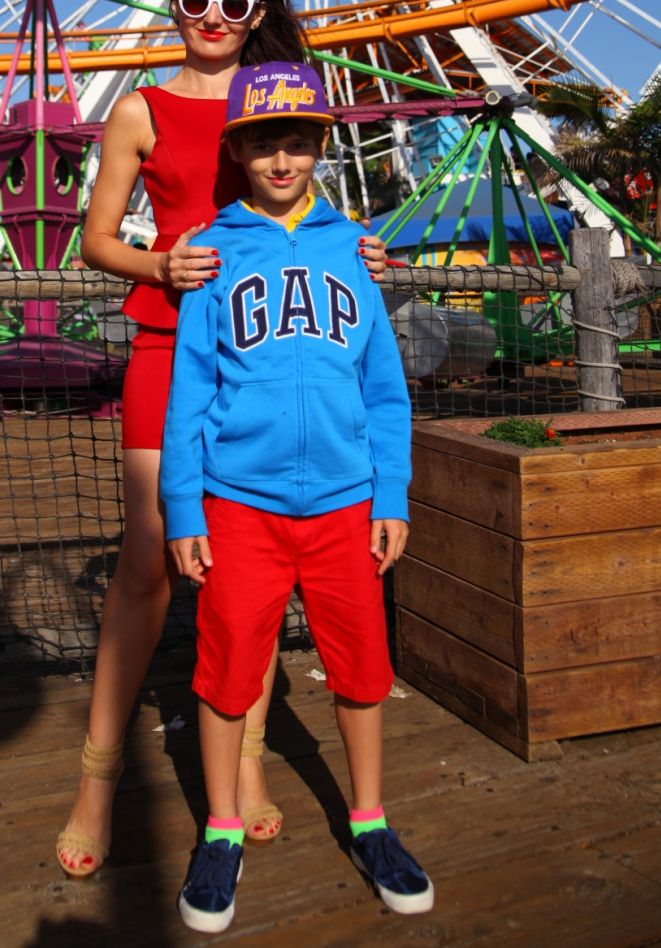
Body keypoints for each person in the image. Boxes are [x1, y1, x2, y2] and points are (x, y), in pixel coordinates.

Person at [56, 0, 387, 876]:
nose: (213, 19)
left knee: (247, 565)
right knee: (149, 564)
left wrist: (360, 252)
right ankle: (99, 777)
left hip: (268, 352)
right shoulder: (140, 110)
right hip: (172, 347)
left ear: (255, 15)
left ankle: (240, 763)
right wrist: (159, 264)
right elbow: (94, 240)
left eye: (234, 6)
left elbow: (310, 213)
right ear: (175, 5)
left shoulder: (280, 104)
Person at [161, 62, 433, 933]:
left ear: (322, 146)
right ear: (238, 151)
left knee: (360, 668)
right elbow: (190, 391)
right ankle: (223, 829)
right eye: (265, 143)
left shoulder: (354, 251)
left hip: (347, 503)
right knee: (228, 670)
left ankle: (371, 820)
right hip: (239, 503)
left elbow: (386, 388)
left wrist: (391, 490)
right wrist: (183, 506)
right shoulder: (212, 255)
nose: (282, 159)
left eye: (299, 141)